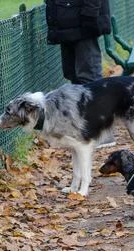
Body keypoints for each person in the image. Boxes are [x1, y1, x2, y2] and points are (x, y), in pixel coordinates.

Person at [45, 0, 116, 147]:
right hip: (67, 24)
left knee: (90, 78)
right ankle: (85, 128)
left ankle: (103, 133)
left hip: (83, 23)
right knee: (73, 76)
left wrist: (88, 17)